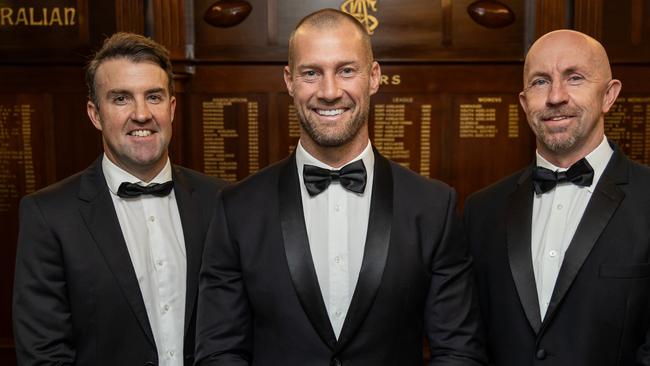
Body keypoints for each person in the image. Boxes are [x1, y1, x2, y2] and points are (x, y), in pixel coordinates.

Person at [195, 8, 486, 365]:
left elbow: (458, 352)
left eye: (346, 70)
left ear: (374, 77)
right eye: (311, 73)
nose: (329, 91)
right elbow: (219, 352)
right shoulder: (237, 208)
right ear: (289, 81)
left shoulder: (433, 207)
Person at [12, 32, 227, 366]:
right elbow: (43, 354)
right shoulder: (49, 216)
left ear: (171, 108)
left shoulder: (222, 201)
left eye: (153, 97)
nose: (141, 114)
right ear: (95, 114)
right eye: (121, 99)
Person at [464, 29, 650, 365]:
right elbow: (467, 340)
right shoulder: (481, 211)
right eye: (539, 82)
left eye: (574, 78)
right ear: (524, 102)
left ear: (609, 95)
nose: (555, 96)